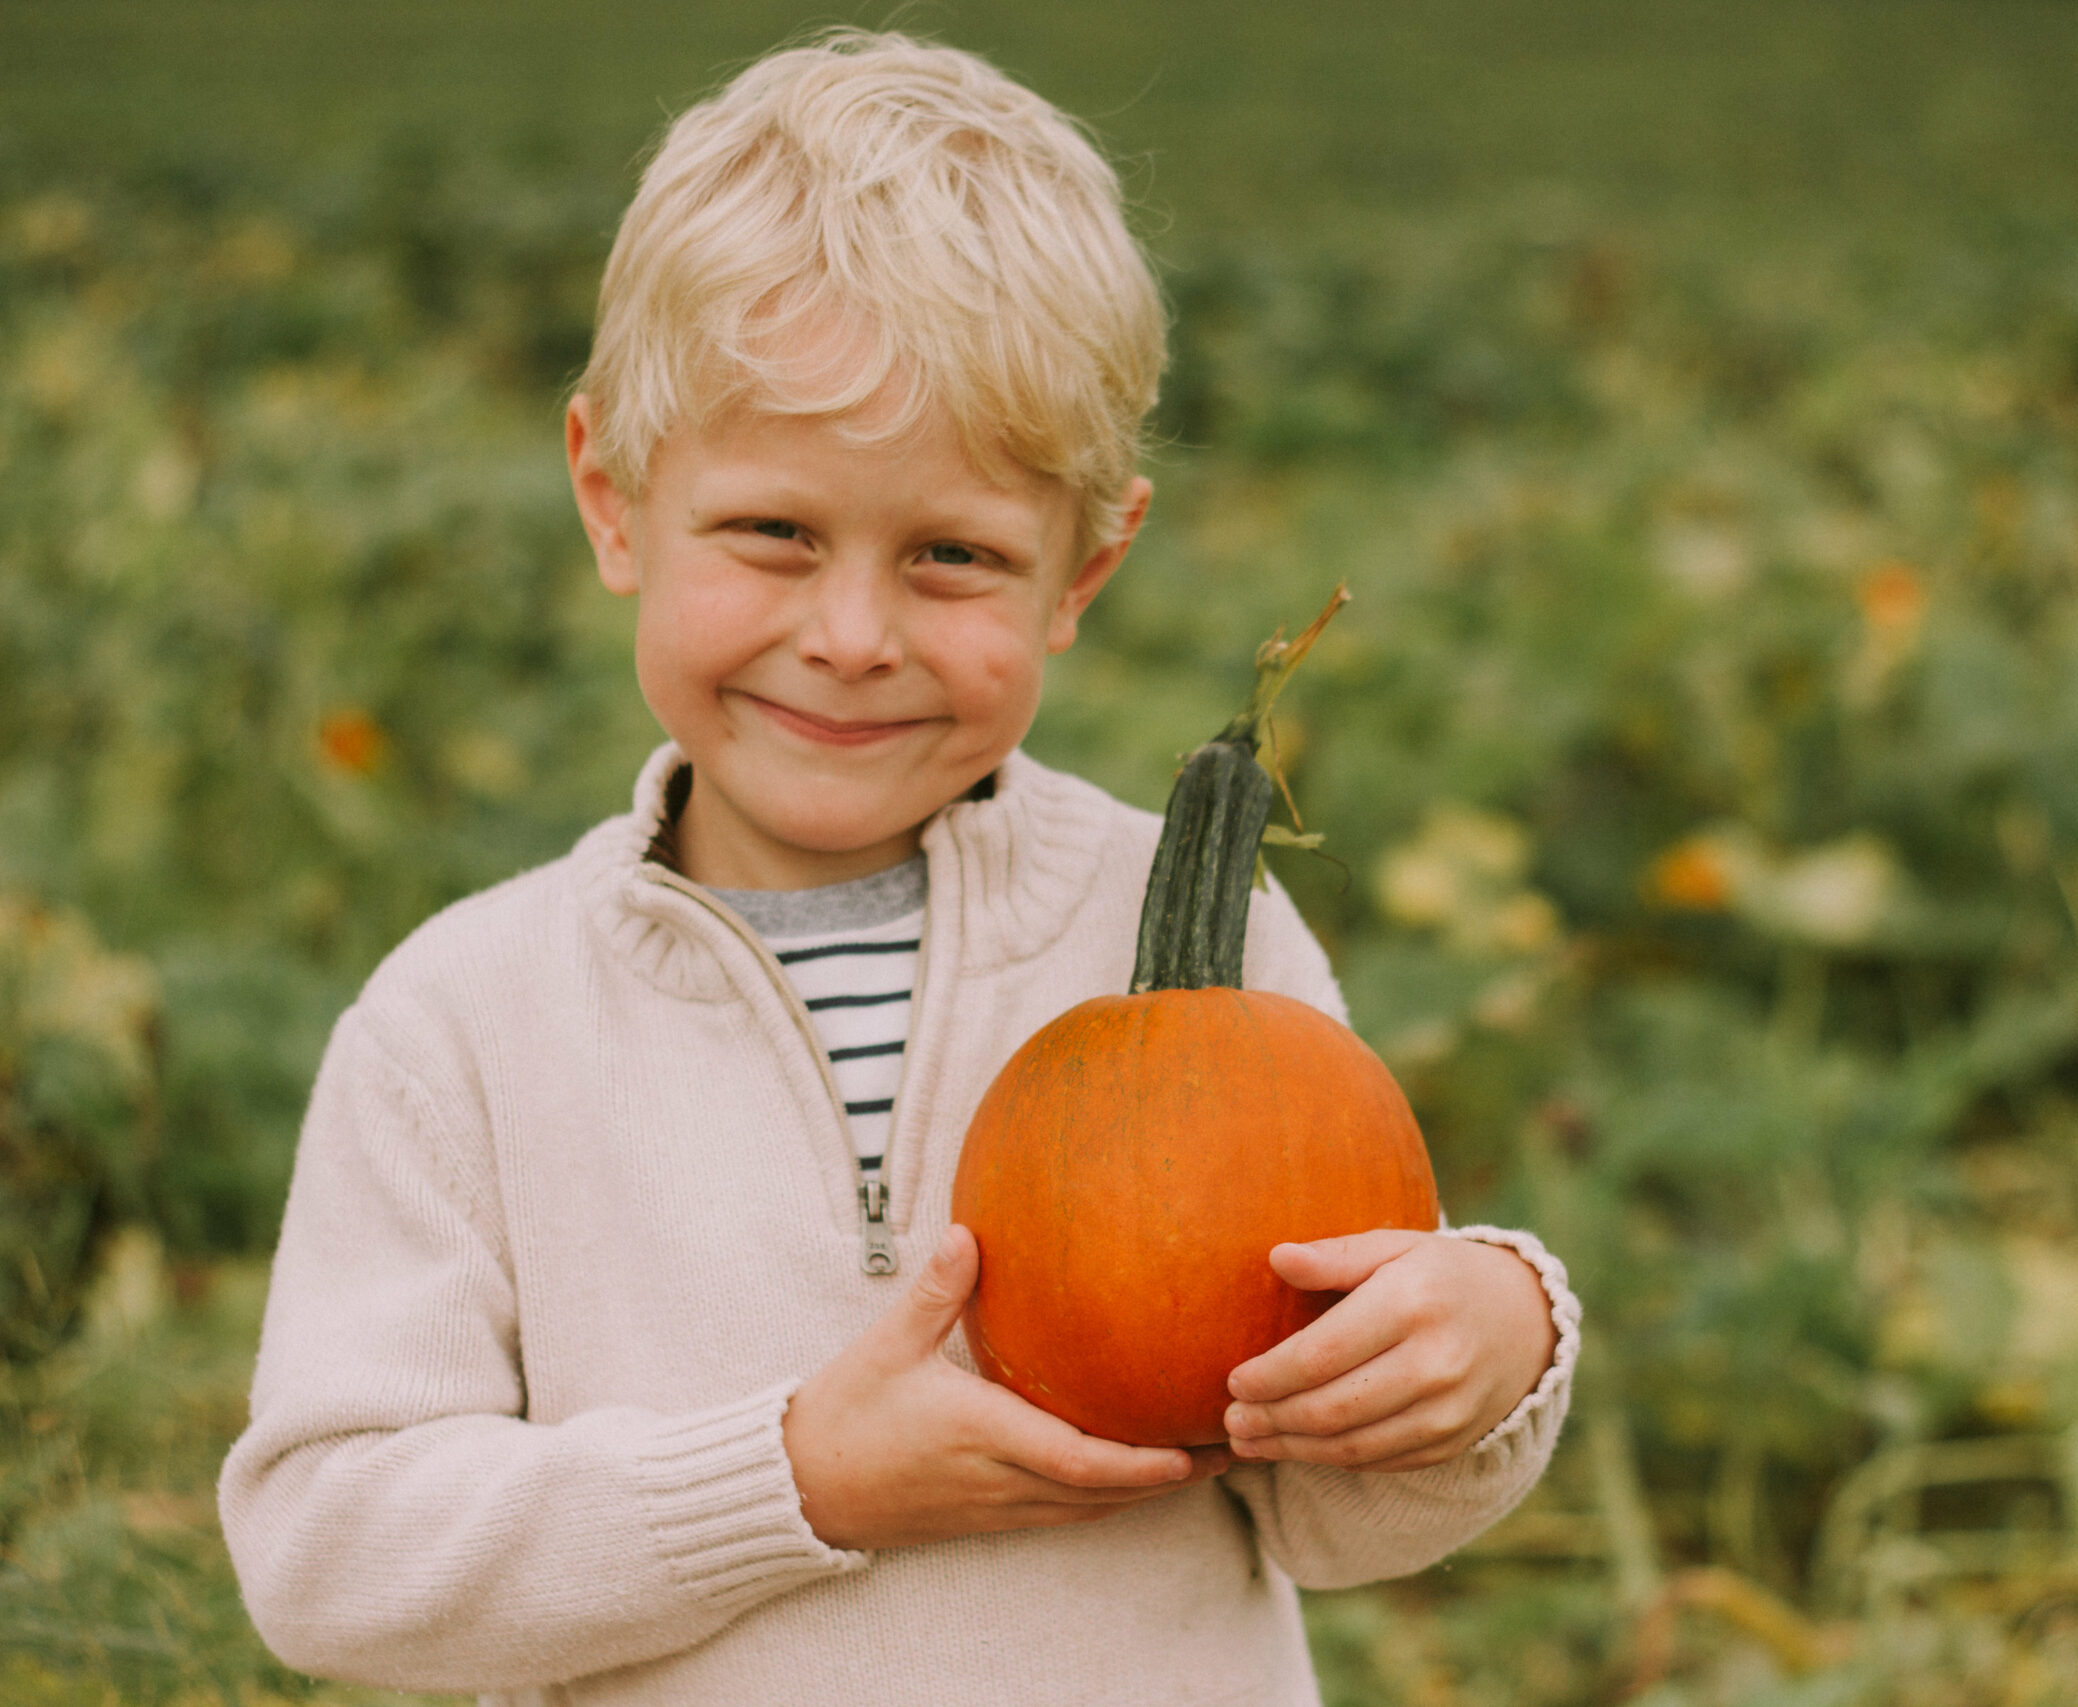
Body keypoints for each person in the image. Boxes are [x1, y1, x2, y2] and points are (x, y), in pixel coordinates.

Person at [218, 31, 1579, 1706]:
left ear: (1084, 571)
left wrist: (1486, 1346)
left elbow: (1335, 1514)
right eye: (776, 535)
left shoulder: (1199, 950)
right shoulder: (472, 1023)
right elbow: (333, 1554)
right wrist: (790, 1480)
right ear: (613, 496)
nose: (851, 637)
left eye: (952, 557)